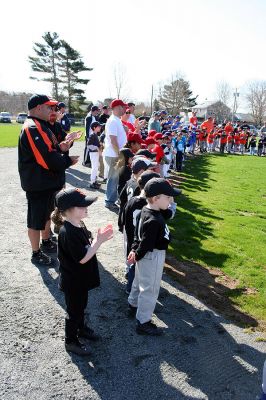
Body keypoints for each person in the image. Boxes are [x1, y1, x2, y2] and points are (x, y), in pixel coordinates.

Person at [18, 94, 79, 266]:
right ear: (38, 108)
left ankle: (46, 241)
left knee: (47, 214)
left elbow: (52, 148)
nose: (52, 110)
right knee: (35, 220)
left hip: (47, 182)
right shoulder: (32, 127)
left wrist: (63, 147)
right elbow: (46, 158)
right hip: (37, 184)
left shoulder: (42, 125)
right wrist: (67, 160)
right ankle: (35, 253)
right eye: (49, 107)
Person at [54, 188, 113, 356]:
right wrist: (98, 242)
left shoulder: (78, 224)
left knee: (81, 306)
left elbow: (86, 246)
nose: (87, 207)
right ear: (69, 210)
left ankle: (81, 329)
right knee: (74, 311)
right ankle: (71, 341)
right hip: (73, 281)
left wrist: (96, 239)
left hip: (80, 279)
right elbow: (82, 258)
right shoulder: (67, 232)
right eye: (82, 205)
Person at [127, 178, 181, 335]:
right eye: (168, 197)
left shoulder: (147, 209)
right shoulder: (153, 220)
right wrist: (137, 253)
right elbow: (146, 243)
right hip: (152, 256)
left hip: (144, 255)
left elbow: (138, 234)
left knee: (139, 281)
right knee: (150, 288)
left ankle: (133, 305)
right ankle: (143, 322)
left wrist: (134, 250)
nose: (171, 201)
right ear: (156, 199)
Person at [103, 99, 128, 210]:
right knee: (113, 178)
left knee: (114, 178)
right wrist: (118, 153)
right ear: (118, 107)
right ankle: (109, 201)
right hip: (114, 154)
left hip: (115, 153)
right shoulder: (113, 120)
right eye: (123, 107)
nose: (125, 109)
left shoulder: (116, 120)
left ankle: (111, 199)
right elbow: (113, 140)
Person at [87, 121, 103, 189]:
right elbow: (89, 145)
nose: (100, 127)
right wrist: (97, 148)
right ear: (94, 128)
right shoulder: (92, 135)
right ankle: (92, 182)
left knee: (96, 167)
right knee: (94, 167)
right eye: (98, 127)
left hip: (95, 153)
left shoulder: (95, 135)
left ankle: (94, 181)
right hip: (93, 153)